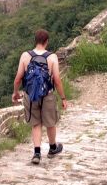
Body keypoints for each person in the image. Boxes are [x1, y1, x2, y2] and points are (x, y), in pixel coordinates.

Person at [12, 29, 68, 164]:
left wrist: (16, 92)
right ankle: (53, 147)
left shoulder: (25, 56)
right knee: (50, 123)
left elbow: (18, 78)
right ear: (46, 42)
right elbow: (57, 80)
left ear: (35, 41)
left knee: (36, 123)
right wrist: (63, 98)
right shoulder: (52, 57)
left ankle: (37, 153)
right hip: (47, 95)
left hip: (31, 96)